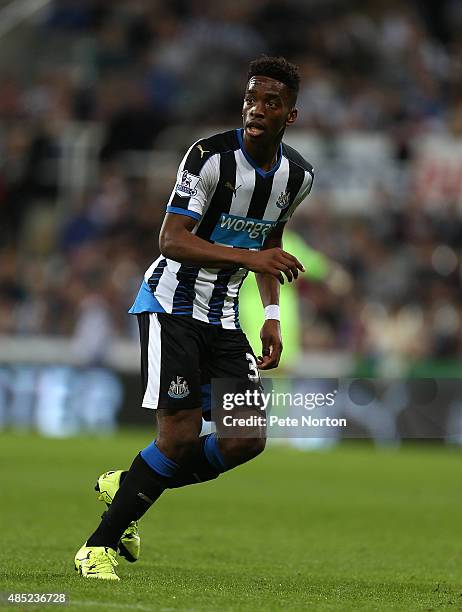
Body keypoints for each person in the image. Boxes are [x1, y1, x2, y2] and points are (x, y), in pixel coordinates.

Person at [74, 56, 314, 580]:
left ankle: (130, 484)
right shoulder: (208, 157)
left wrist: (271, 313)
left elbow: (268, 241)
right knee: (178, 434)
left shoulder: (298, 176)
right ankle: (98, 547)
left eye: (271, 102)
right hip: (172, 306)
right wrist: (252, 260)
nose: (256, 110)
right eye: (251, 98)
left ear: (289, 115)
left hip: (225, 316)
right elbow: (171, 239)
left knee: (245, 439)